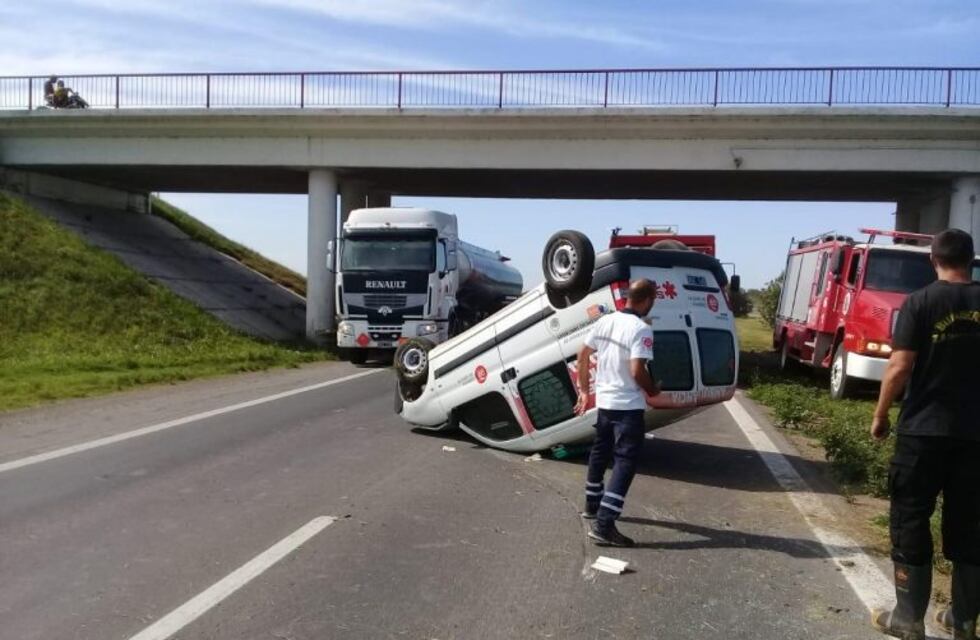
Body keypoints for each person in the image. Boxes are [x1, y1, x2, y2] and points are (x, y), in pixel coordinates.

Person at [870, 229, 980, 640]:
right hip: (976, 437)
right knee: (970, 523)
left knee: (911, 516)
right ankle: (964, 621)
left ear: (933, 259)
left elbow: (899, 367)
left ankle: (909, 618)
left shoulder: (920, 302)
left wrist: (880, 415)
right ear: (971, 260)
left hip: (924, 432)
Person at [574, 279, 661, 547]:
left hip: (606, 403)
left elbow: (583, 353)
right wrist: (653, 390)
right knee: (625, 462)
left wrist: (584, 390)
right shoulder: (641, 329)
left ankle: (592, 505)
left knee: (600, 453)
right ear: (647, 300)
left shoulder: (605, 322)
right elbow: (637, 370)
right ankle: (604, 525)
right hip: (628, 408)